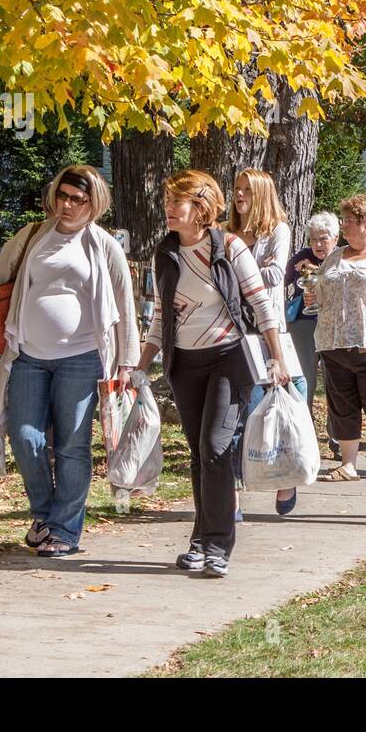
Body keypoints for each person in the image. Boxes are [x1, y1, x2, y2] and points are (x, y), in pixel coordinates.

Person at [0, 165, 139, 558]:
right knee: (25, 437)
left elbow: (125, 306)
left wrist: (128, 361)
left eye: (77, 200)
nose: (66, 205)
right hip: (27, 354)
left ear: (93, 204)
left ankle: (64, 531)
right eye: (61, 195)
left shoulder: (103, 245)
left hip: (82, 359)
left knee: (71, 446)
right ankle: (47, 515)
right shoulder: (32, 236)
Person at [135, 170, 289, 577]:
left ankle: (218, 544)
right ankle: (201, 541)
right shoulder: (165, 252)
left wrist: (278, 358)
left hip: (228, 359)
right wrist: (141, 365)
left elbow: (262, 305)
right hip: (184, 364)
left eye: (177, 202)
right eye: (167, 201)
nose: (168, 209)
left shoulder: (230, 247)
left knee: (216, 448)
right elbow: (159, 317)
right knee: (200, 453)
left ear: (201, 207)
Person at [304, 193, 366, 483]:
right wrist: (314, 294)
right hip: (332, 342)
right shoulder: (335, 256)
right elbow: (322, 293)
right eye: (344, 219)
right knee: (342, 406)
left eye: (350, 221)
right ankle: (349, 465)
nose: (344, 225)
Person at [228, 168, 306, 515]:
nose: (239, 195)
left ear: (261, 194)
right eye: (236, 189)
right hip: (232, 333)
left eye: (246, 189)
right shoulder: (227, 233)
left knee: (276, 406)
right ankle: (231, 497)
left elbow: (276, 275)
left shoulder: (277, 230)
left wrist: (236, 273)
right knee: (235, 416)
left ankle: (284, 476)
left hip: (267, 332)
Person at [284, 211, 339, 423]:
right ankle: (302, 430)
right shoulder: (302, 256)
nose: (318, 243)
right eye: (314, 238)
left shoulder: (341, 257)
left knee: (333, 381)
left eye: (323, 238)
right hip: (303, 324)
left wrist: (317, 271)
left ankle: (337, 436)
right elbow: (282, 278)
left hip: (334, 326)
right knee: (303, 379)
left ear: (335, 238)